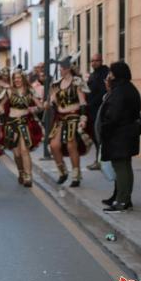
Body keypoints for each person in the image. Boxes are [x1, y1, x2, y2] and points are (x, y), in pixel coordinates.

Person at [99, 61, 141, 212]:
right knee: (125, 167)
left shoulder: (120, 91)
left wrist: (105, 127)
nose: (109, 76)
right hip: (127, 134)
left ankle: (122, 201)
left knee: (121, 168)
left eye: (111, 73)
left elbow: (113, 115)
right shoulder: (129, 88)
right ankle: (125, 199)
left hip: (119, 135)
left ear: (116, 74)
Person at [47, 57, 92, 187]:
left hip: (74, 116)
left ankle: (76, 176)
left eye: (61, 68)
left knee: (71, 144)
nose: (60, 70)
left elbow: (83, 102)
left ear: (67, 69)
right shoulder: (56, 84)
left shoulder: (77, 82)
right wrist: (50, 102)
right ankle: (62, 172)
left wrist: (83, 119)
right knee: (54, 145)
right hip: (60, 117)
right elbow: (53, 103)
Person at [0, 69, 44, 187]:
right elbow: (1, 104)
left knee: (24, 150)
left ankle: (28, 176)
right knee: (17, 153)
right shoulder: (9, 91)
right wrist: (1, 109)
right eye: (15, 78)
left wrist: (34, 109)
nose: (16, 80)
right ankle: (21, 172)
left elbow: (40, 106)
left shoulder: (30, 91)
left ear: (23, 78)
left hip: (24, 123)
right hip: (11, 124)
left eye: (18, 77)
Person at [86, 54, 109, 170]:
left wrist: (91, 103)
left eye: (96, 61)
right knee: (96, 137)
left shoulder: (104, 73)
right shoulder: (93, 74)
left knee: (100, 136)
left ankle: (101, 161)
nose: (94, 63)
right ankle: (98, 160)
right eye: (92, 61)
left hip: (100, 109)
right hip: (92, 110)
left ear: (101, 61)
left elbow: (102, 92)